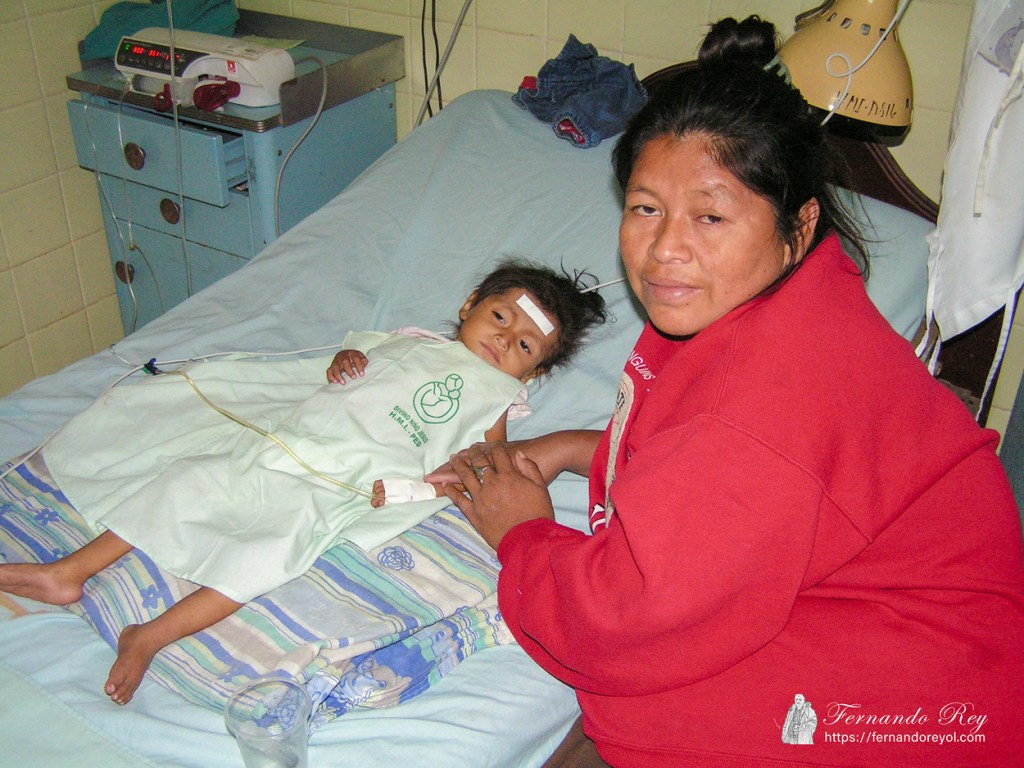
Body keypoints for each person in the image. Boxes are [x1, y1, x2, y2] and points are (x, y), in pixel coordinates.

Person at [428, 17, 1024, 768]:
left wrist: (524, 532)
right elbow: (682, 434)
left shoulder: (770, 403)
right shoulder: (769, 302)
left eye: (711, 215)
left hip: (928, 706)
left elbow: (627, 619)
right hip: (915, 620)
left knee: (643, 701)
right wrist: (583, 449)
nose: (665, 250)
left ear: (797, 226)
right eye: (645, 208)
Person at [0, 258, 607, 706]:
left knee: (264, 558)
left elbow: (478, 472)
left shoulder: (495, 402)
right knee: (183, 486)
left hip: (341, 488)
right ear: (470, 303)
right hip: (289, 439)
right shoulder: (408, 343)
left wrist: (413, 490)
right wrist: (342, 365)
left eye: (523, 344)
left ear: (536, 370)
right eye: (499, 317)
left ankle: (150, 635)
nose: (502, 339)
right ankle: (70, 571)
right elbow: (343, 368)